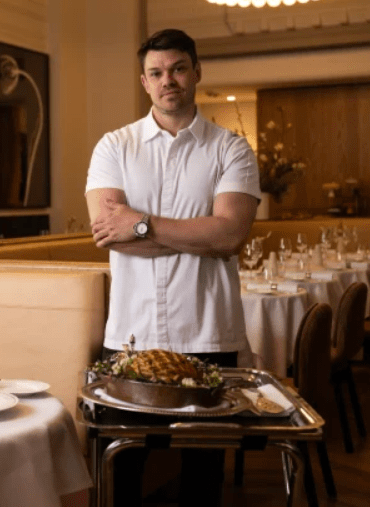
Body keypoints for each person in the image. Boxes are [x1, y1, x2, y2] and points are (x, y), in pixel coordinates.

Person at [85, 28, 260, 506]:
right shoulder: (113, 147)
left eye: (179, 69)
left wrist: (138, 226)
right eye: (157, 72)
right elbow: (107, 235)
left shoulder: (232, 149)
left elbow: (229, 234)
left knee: (204, 478)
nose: (169, 81)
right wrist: (195, 236)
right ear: (144, 82)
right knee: (123, 471)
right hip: (130, 336)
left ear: (196, 72)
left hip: (209, 334)